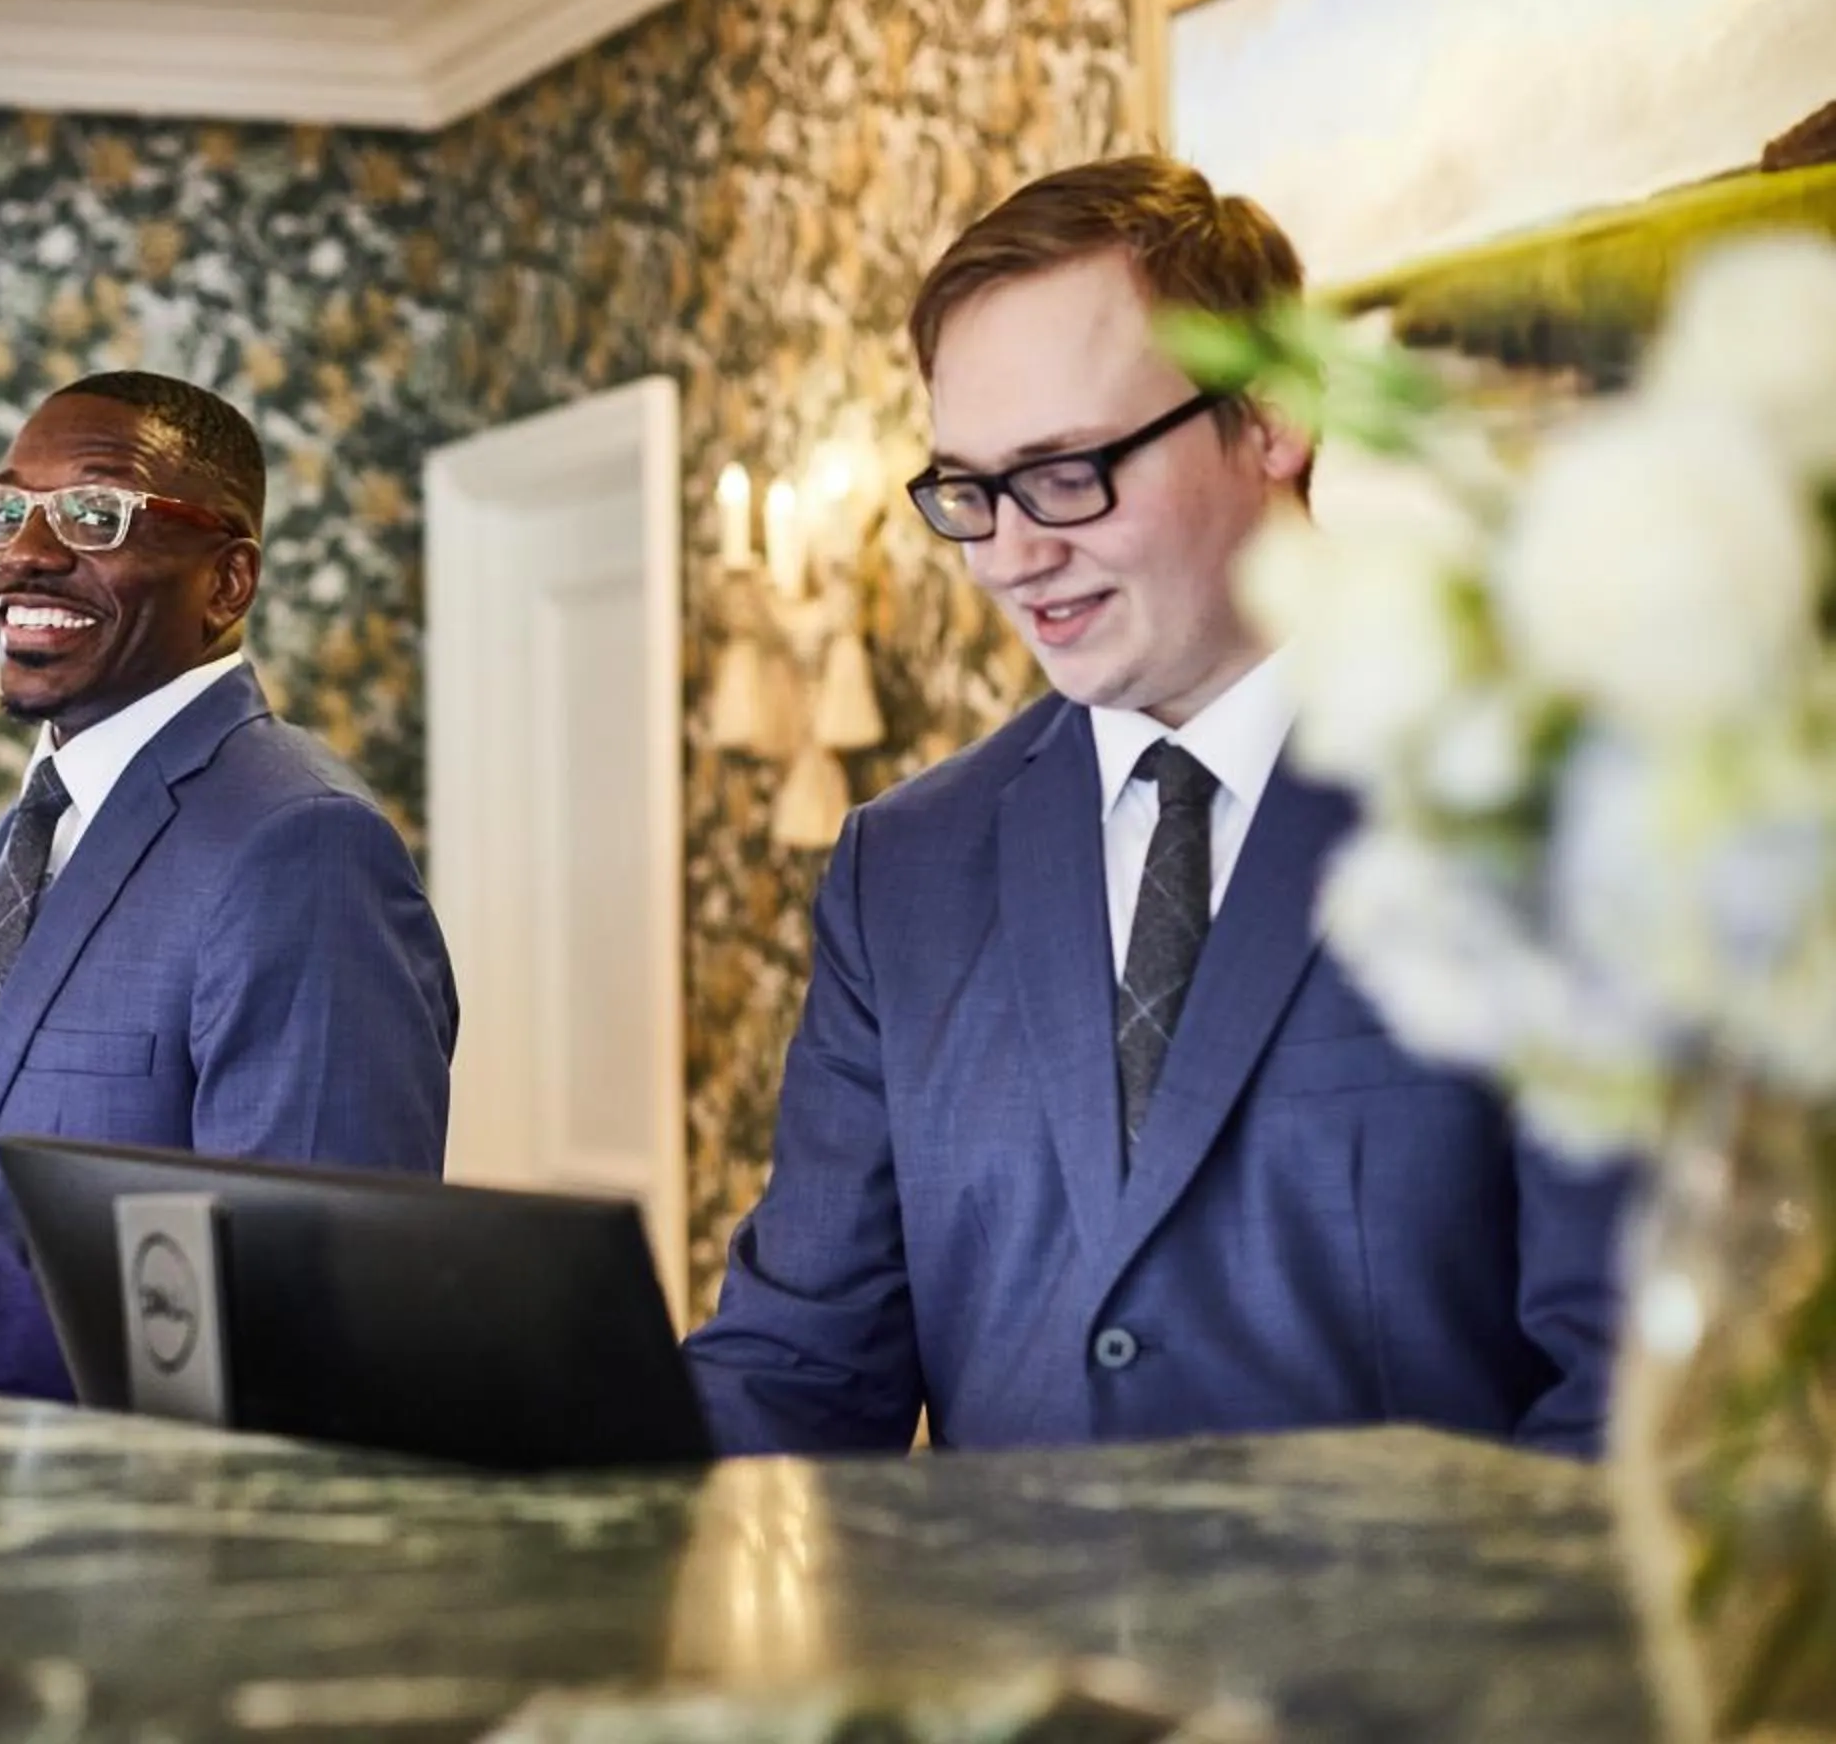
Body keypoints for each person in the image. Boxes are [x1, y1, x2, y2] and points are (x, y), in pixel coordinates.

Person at [683, 156, 1630, 1458]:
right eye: (969, 490)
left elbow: (1636, 1390)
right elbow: (798, 1370)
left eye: (1069, 471)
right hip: (998, 1657)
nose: (1013, 553)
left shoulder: (1549, 801)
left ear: (1275, 422)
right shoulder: (903, 869)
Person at [0, 371, 456, 1395]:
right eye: (4, 509)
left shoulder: (303, 846)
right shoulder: (16, 841)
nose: (23, 551)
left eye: (94, 512)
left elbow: (321, 1296)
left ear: (227, 582)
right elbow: (43, 1200)